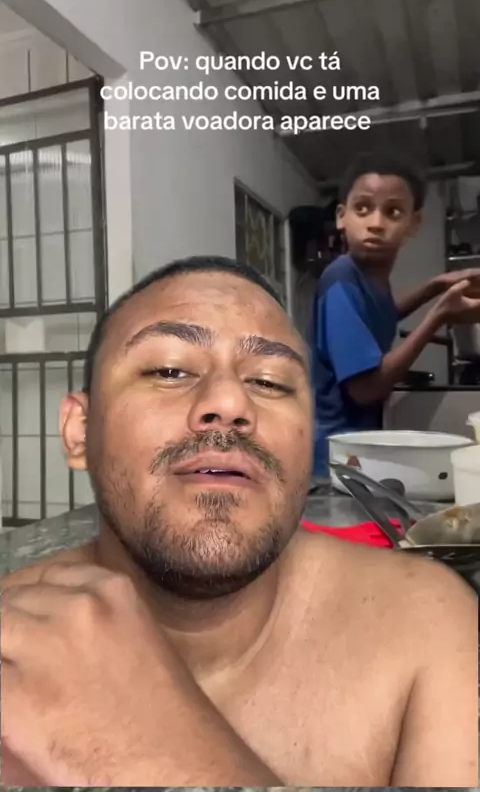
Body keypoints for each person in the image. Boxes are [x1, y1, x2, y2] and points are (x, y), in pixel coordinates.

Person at [1, 256, 477, 787]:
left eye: (269, 382)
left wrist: (156, 750)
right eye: (169, 370)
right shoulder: (11, 650)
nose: (231, 402)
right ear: (79, 431)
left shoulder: (427, 625)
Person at [312, 151, 480, 476]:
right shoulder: (341, 280)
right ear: (342, 216)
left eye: (393, 212)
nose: (376, 223)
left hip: (358, 444)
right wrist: (439, 315)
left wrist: (435, 287)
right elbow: (366, 390)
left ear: (413, 224)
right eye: (363, 208)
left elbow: (383, 316)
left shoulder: (370, 277)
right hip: (337, 454)